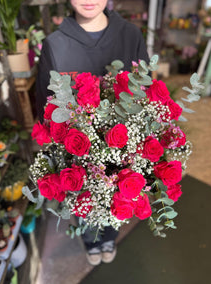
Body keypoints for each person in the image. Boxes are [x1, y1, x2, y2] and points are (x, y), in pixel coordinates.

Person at [36, 0, 149, 266]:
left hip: (122, 147)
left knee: (118, 195)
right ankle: (90, 240)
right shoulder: (54, 43)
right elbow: (46, 100)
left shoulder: (131, 35)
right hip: (77, 151)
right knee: (83, 196)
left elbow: (144, 92)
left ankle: (109, 237)